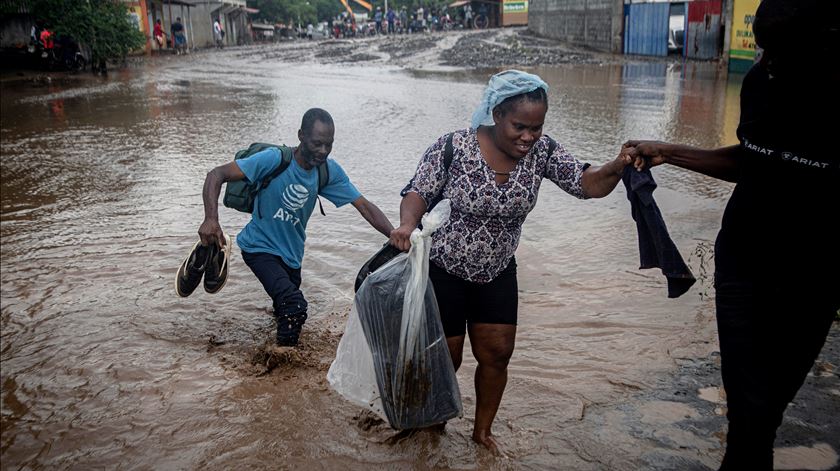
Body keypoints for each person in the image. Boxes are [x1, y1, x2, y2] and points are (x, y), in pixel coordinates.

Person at [624, 1, 839, 469]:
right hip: (743, 261)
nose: (766, 63)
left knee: (766, 411)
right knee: (748, 409)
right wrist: (669, 151)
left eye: (778, 53)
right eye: (762, 50)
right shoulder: (762, 83)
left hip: (815, 275)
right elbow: (753, 160)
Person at [390, 70, 633, 453]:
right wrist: (406, 224)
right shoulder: (454, 147)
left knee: (497, 354)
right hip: (443, 270)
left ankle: (482, 432)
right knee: (445, 358)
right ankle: (432, 424)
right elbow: (418, 191)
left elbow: (588, 184)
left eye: (536, 127)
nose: (528, 137)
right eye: (520, 126)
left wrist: (618, 165)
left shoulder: (544, 152)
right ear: (497, 113)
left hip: (498, 271)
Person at [197, 108, 394, 346]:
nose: (322, 151)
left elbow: (364, 206)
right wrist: (211, 219)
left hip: (292, 257)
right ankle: (278, 371)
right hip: (259, 248)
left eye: (328, 145)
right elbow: (216, 174)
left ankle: (270, 354)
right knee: (295, 306)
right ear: (301, 136)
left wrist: (395, 234)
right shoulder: (274, 159)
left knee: (283, 313)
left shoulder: (327, 171)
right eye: (317, 143)